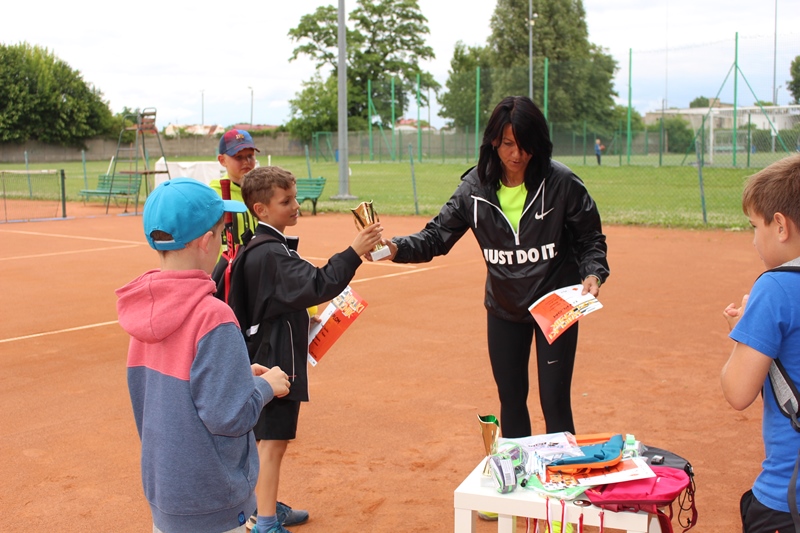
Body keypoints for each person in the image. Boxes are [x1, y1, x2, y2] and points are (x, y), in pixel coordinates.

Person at [385, 96, 609, 441]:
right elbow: (436, 237)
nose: (517, 154)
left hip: (555, 305)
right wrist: (395, 248)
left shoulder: (561, 183)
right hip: (505, 308)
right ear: (493, 141)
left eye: (525, 145)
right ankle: (519, 472)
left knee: (554, 401)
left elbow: (590, 237)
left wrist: (593, 272)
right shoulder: (474, 189)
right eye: (507, 144)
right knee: (511, 399)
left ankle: (563, 474)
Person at [115, 178, 291, 533]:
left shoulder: (145, 308)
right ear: (207, 241)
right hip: (213, 500)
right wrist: (266, 387)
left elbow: (178, 388)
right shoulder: (212, 316)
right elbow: (230, 416)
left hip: (168, 493)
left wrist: (238, 375)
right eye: (222, 232)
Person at [228, 166, 383, 533]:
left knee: (268, 439)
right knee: (273, 442)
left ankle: (263, 507)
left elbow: (275, 302)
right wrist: (355, 251)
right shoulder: (270, 253)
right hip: (274, 361)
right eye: (286, 201)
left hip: (267, 351)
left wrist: (304, 321)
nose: (296, 206)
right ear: (261, 209)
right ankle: (265, 521)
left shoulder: (265, 246)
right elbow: (318, 283)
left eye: (295, 198)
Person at [721, 153, 800, 533]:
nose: (754, 240)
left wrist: (744, 332)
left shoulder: (775, 287)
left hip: (787, 499)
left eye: (755, 226)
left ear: (780, 226)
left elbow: (738, 392)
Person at [210, 129, 260, 243]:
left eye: (250, 155)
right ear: (222, 160)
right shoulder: (213, 195)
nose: (246, 162)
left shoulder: (263, 191)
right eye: (238, 157)